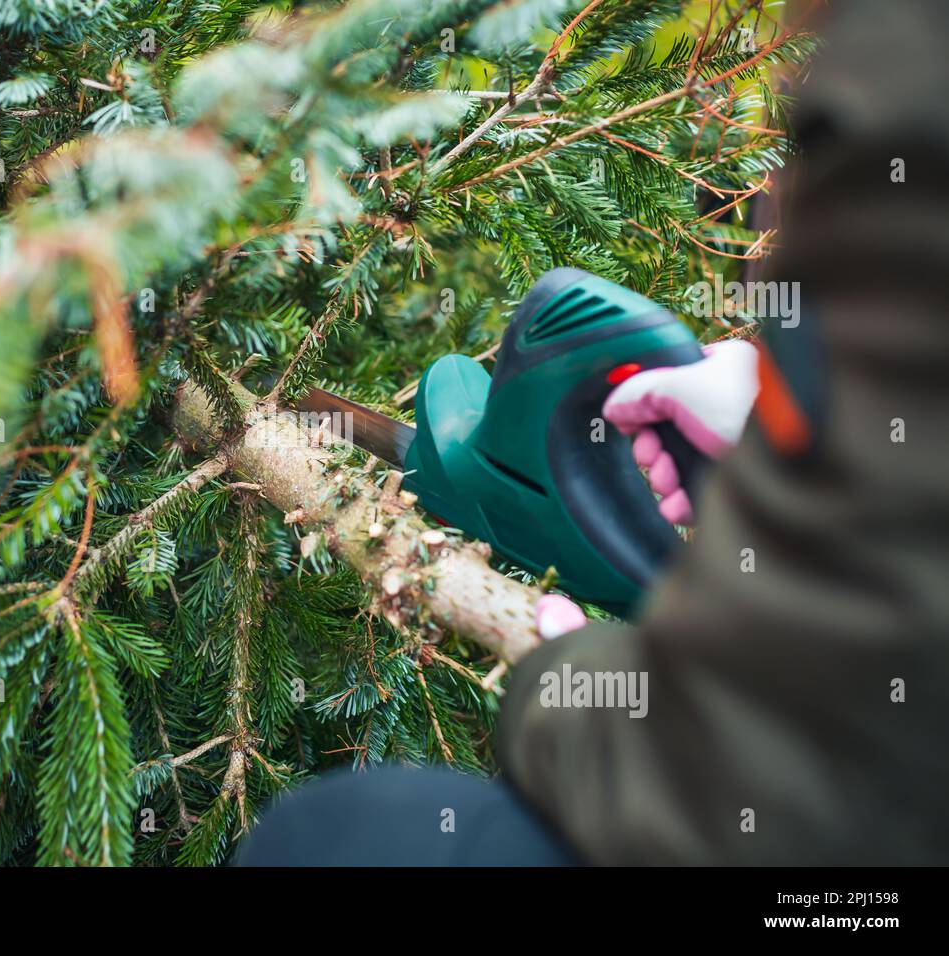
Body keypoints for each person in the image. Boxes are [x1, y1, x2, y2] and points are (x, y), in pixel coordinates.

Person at [238, 0, 949, 866]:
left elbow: (760, 799)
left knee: (326, 840)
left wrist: (575, 677)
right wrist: (783, 422)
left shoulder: (903, 86)